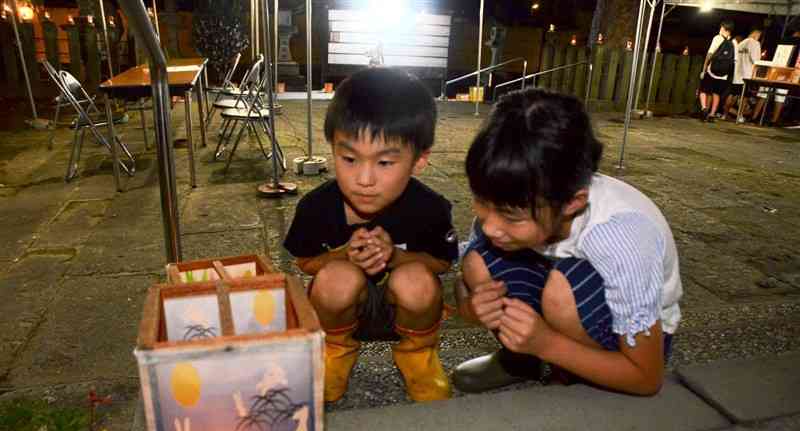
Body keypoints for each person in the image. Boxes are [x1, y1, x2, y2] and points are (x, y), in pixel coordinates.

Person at [452, 88, 682, 396]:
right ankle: (521, 359)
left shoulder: (620, 237)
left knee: (560, 292)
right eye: (481, 202)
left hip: (635, 345)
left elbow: (647, 378)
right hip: (558, 294)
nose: (491, 225)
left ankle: (574, 373)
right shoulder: (510, 194)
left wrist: (547, 343)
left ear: (573, 204)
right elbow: (464, 284)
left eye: (511, 216)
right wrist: (472, 309)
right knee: (476, 261)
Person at [283, 67, 458, 403]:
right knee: (334, 278)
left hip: (405, 315)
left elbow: (441, 263)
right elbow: (305, 262)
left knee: (417, 281)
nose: (364, 179)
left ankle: (417, 357)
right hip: (342, 315)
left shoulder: (431, 208)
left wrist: (396, 257)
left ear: (419, 161)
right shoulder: (315, 207)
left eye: (384, 163)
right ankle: (334, 353)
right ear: (332, 148)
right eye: (349, 158)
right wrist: (342, 254)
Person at [751, 29, 800, 126]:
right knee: (780, 97)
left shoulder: (781, 40)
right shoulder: (798, 43)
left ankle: (754, 117)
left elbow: (768, 54)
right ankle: (774, 121)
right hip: (787, 71)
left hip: (773, 67)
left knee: (763, 94)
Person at [698, 20, 735, 122]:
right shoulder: (733, 43)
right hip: (723, 74)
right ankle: (712, 114)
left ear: (723, 28)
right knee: (716, 94)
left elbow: (710, 54)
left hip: (712, 71)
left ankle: (704, 108)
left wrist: (704, 68)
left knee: (703, 90)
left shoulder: (717, 38)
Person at [724, 28, 762, 121]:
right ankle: (739, 116)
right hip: (748, 75)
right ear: (756, 34)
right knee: (744, 97)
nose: (759, 38)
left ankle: (725, 114)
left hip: (737, 74)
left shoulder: (740, 44)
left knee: (732, 95)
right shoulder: (755, 43)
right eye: (759, 36)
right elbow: (756, 60)